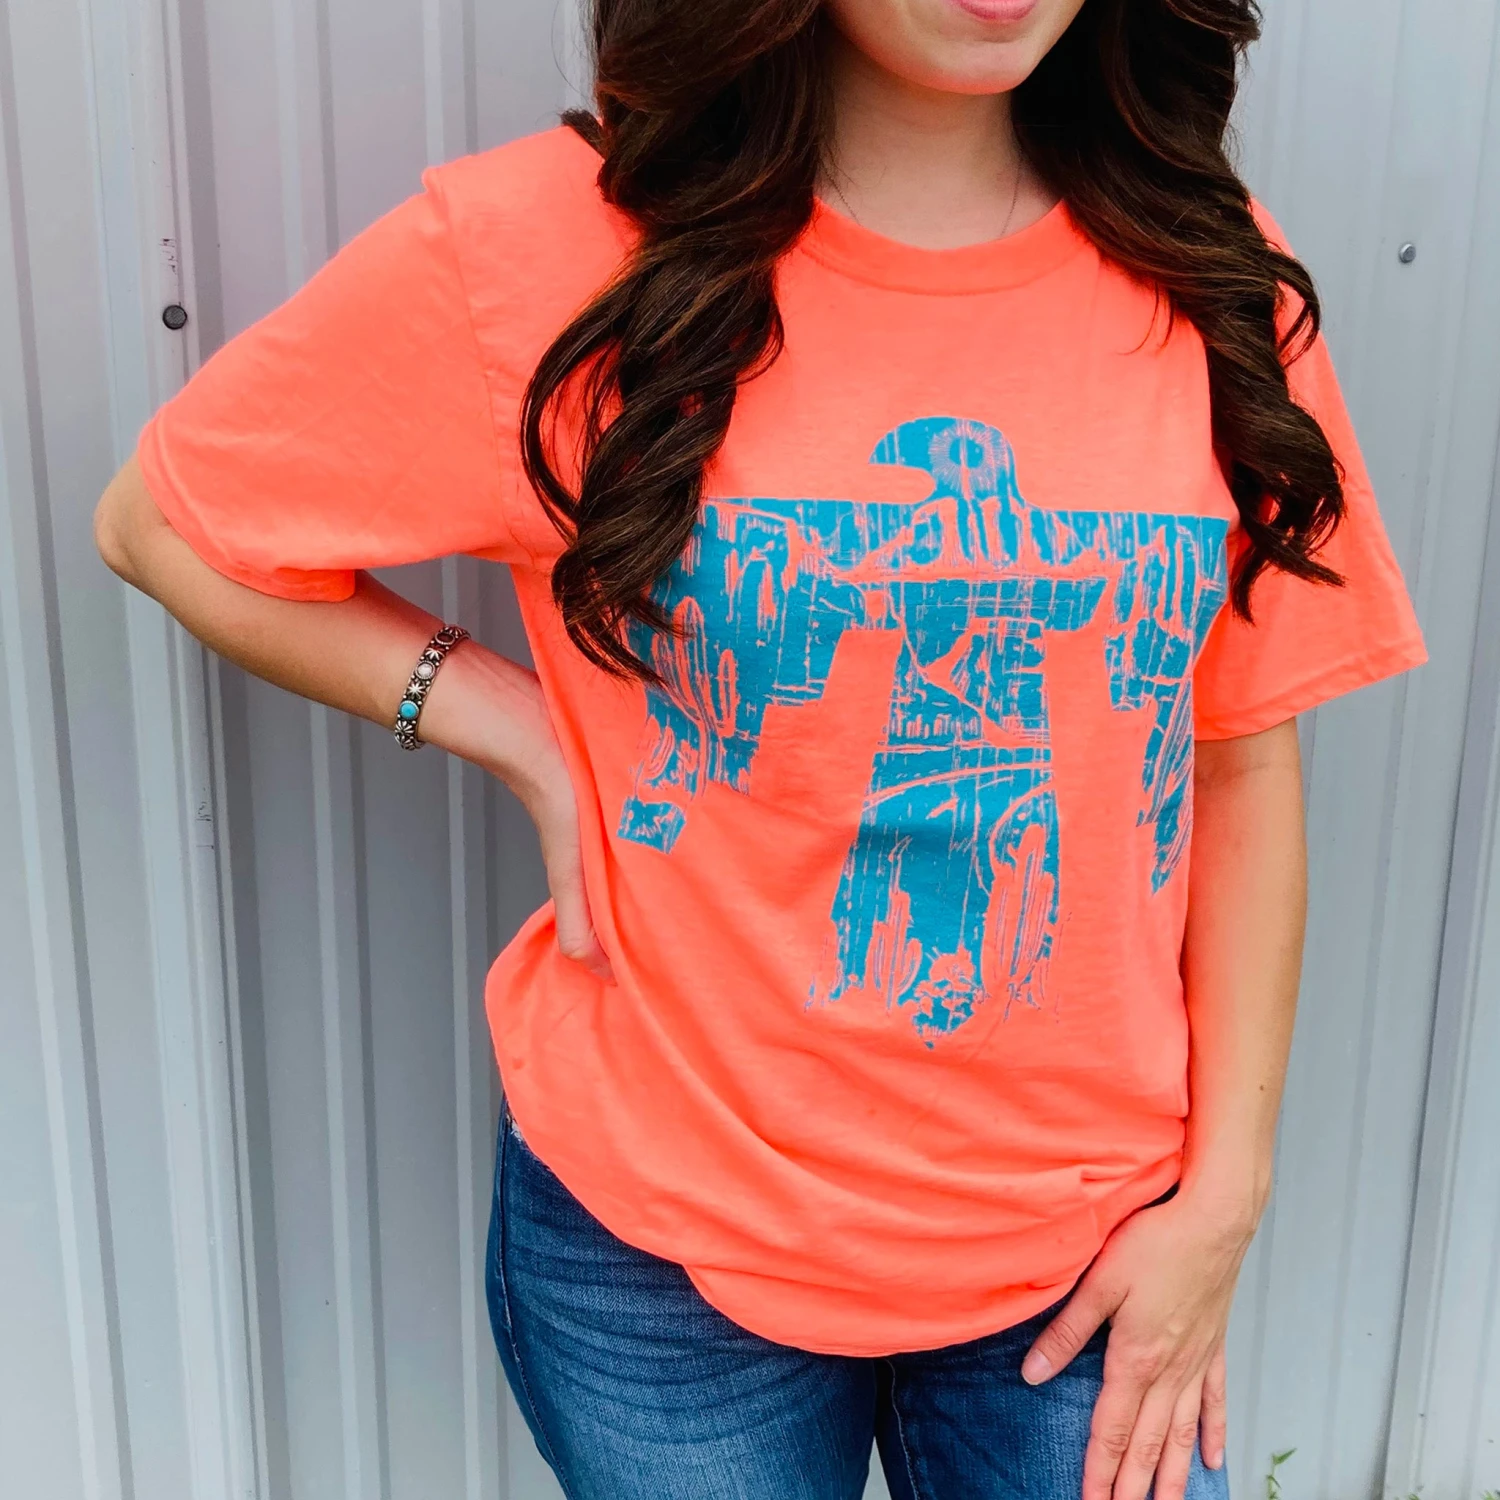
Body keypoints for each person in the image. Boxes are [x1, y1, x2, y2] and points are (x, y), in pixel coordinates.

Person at [94, 0, 1426, 1496]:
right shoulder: (550, 249)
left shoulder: (1208, 271)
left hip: (1090, 1247)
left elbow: (1239, 756)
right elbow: (169, 524)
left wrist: (1223, 1203)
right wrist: (513, 727)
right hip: (669, 1251)